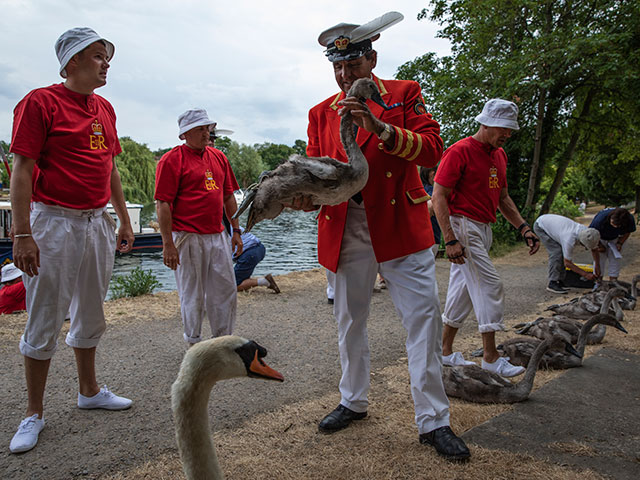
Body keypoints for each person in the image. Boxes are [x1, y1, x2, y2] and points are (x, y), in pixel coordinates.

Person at [297, 12, 470, 461]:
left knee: (423, 320)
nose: (343, 75)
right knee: (350, 320)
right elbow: (320, 172)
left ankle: (434, 420)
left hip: (399, 225)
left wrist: (381, 129)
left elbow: (432, 148)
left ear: (371, 59)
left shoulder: (403, 93)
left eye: (352, 65)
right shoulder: (319, 113)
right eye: (337, 67)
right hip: (346, 226)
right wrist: (306, 196)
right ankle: (353, 400)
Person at [8, 27, 135, 454]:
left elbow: (111, 167)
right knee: (46, 311)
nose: (106, 64)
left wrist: (122, 219)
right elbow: (22, 168)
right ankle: (33, 413)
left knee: (92, 307)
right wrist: (22, 233)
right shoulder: (40, 102)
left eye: (107, 57)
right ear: (73, 61)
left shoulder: (105, 109)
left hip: (95, 221)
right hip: (54, 221)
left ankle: (89, 390)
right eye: (98, 56)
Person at [432, 99, 540, 377]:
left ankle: (443, 353)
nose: (507, 135)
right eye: (503, 129)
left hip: (484, 228)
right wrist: (450, 239)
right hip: (464, 226)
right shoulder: (459, 151)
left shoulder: (499, 155)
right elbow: (439, 196)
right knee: (490, 286)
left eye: (510, 130)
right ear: (486, 123)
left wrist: (523, 227)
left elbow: (503, 198)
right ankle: (491, 358)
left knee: (464, 292)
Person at [155, 108, 242, 345]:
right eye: (200, 129)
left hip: (217, 235)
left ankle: (222, 341)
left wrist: (236, 230)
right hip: (187, 236)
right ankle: (194, 343)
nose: (207, 133)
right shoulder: (171, 160)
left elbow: (228, 197)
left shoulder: (219, 157)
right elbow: (163, 204)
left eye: (207, 128)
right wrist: (168, 244)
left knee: (225, 289)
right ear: (185, 134)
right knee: (192, 295)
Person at [533, 214, 601, 292]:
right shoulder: (569, 239)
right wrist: (585, 274)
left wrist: (597, 267)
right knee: (556, 252)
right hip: (541, 226)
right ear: (582, 242)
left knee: (561, 252)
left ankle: (561, 280)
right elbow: (567, 263)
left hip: (552, 224)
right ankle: (553, 283)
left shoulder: (589, 233)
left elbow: (594, 250)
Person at [589, 207, 636, 283]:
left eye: (617, 225)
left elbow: (628, 232)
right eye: (613, 223)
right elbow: (591, 235)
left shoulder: (629, 219)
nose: (615, 226)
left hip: (616, 238)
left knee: (615, 258)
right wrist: (600, 245)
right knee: (600, 259)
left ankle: (613, 282)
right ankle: (598, 282)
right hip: (599, 237)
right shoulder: (599, 220)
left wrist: (620, 243)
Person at [420, 166, 442, 256]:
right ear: (432, 174)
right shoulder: (434, 192)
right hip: (432, 236)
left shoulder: (420, 191)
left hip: (420, 238)